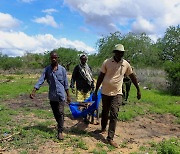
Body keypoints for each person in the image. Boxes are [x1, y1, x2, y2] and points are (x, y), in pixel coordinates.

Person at [94, 44, 141, 148]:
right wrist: (96, 90)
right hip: (105, 92)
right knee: (105, 112)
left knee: (114, 114)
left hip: (117, 93)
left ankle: (110, 138)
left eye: (122, 53)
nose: (120, 54)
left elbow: (132, 76)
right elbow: (101, 76)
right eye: (118, 52)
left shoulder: (125, 64)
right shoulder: (106, 62)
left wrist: (138, 89)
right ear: (115, 52)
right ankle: (102, 128)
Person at [30, 51, 71, 140]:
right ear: (50, 58)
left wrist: (68, 96)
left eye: (55, 57)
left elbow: (66, 84)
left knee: (60, 113)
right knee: (56, 113)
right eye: (52, 57)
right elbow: (41, 80)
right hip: (52, 96)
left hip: (61, 96)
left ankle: (60, 131)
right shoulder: (47, 70)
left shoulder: (62, 70)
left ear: (57, 58)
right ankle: (59, 124)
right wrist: (34, 91)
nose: (53, 59)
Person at [70, 54, 98, 124]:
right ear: (80, 60)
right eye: (82, 59)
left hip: (88, 88)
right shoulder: (77, 68)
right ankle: (82, 116)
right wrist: (72, 85)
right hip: (80, 88)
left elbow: (91, 78)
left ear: (86, 60)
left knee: (87, 103)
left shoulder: (89, 68)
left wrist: (92, 86)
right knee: (80, 103)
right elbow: (73, 77)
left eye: (85, 59)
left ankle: (86, 116)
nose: (83, 60)